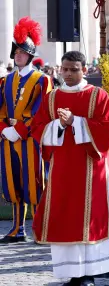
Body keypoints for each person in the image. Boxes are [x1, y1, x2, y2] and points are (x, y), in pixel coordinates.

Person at [31, 51, 109, 286]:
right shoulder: (51, 98)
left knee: (91, 217)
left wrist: (75, 122)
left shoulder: (99, 96)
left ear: (84, 70)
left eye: (73, 69)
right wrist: (59, 124)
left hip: (92, 167)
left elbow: (106, 130)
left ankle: (89, 273)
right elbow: (37, 127)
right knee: (65, 217)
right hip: (62, 170)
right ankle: (73, 273)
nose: (67, 74)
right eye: (64, 69)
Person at [0, 17, 51, 244]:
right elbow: (0, 108)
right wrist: (4, 129)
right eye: (16, 52)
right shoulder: (5, 80)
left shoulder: (42, 80)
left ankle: (40, 229)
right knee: (13, 183)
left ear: (30, 54)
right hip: (8, 138)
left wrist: (19, 130)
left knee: (34, 183)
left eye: (22, 52)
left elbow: (41, 111)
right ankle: (17, 229)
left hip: (30, 138)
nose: (18, 55)